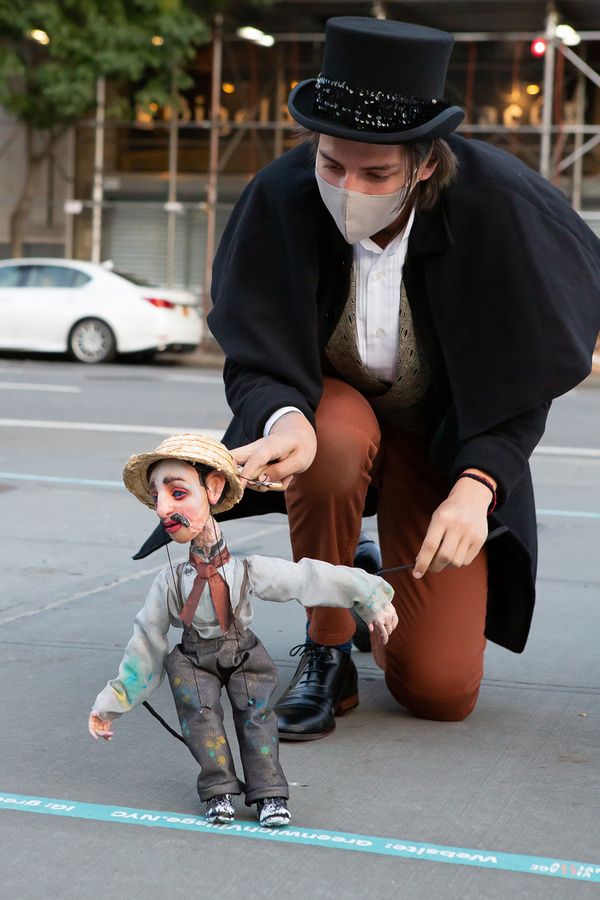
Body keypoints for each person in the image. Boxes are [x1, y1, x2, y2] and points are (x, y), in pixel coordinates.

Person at [204, 16, 600, 741]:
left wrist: (479, 485)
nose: (347, 188)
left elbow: (525, 371)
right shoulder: (282, 195)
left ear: (423, 164)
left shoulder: (502, 209)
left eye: (376, 174)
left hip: (443, 438)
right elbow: (254, 350)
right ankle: (327, 649)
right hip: (335, 419)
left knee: (439, 690)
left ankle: (365, 569)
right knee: (329, 444)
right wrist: (283, 415)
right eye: (331, 164)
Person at [88, 433, 398, 824]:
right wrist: (111, 703)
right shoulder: (169, 582)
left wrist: (369, 594)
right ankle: (218, 790)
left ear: (213, 489)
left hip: (242, 652)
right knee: (200, 719)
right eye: (156, 497)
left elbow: (306, 578)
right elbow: (145, 644)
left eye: (178, 493)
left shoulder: (247, 571)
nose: (163, 508)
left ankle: (269, 793)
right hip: (193, 658)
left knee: (257, 718)